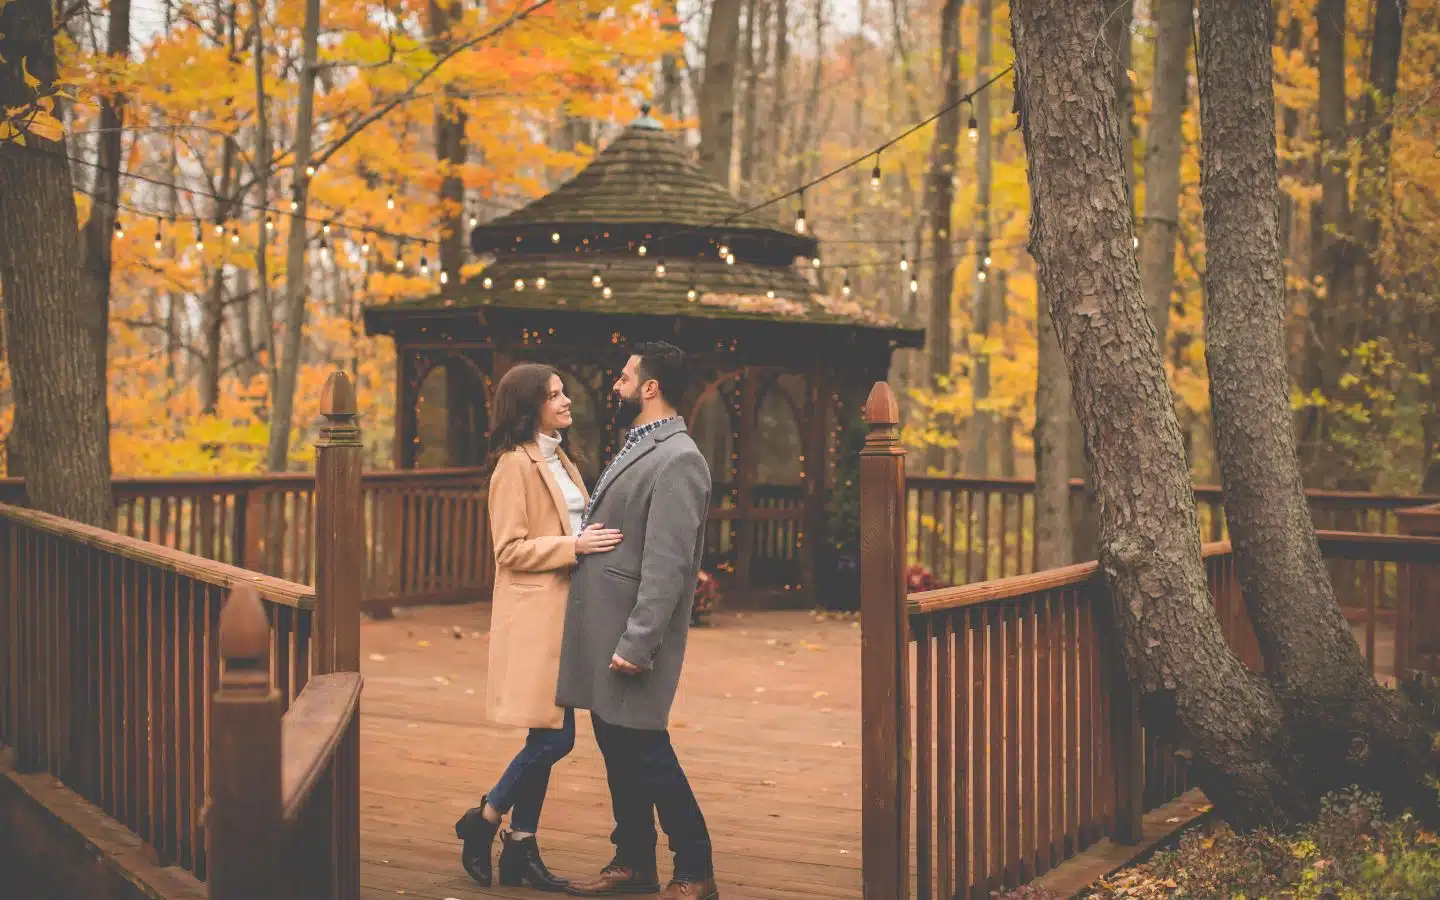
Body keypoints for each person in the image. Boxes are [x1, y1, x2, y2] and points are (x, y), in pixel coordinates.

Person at [556, 342, 719, 900]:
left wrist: (640, 641)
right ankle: (633, 861)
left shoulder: (679, 458)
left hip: (632, 634)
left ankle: (695, 869)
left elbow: (669, 563)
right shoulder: (639, 445)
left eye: (625, 376)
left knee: (646, 748)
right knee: (616, 745)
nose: (616, 384)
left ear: (650, 387)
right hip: (603, 629)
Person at [455, 363, 623, 892]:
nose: (567, 400)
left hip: (573, 615)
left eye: (565, 391)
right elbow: (507, 550)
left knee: (546, 732)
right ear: (530, 408)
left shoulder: (562, 460)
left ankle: (520, 846)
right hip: (537, 617)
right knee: (555, 737)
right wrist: (574, 546)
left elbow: (573, 526)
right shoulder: (513, 466)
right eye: (555, 395)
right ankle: (484, 820)